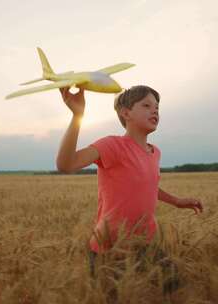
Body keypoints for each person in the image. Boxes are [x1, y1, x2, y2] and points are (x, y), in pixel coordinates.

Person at [56, 85, 203, 295]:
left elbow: (146, 185)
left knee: (174, 290)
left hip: (145, 243)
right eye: (146, 105)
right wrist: (77, 116)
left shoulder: (155, 152)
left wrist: (177, 201)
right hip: (108, 246)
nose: (155, 111)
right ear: (126, 113)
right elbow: (66, 164)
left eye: (157, 107)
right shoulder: (112, 145)